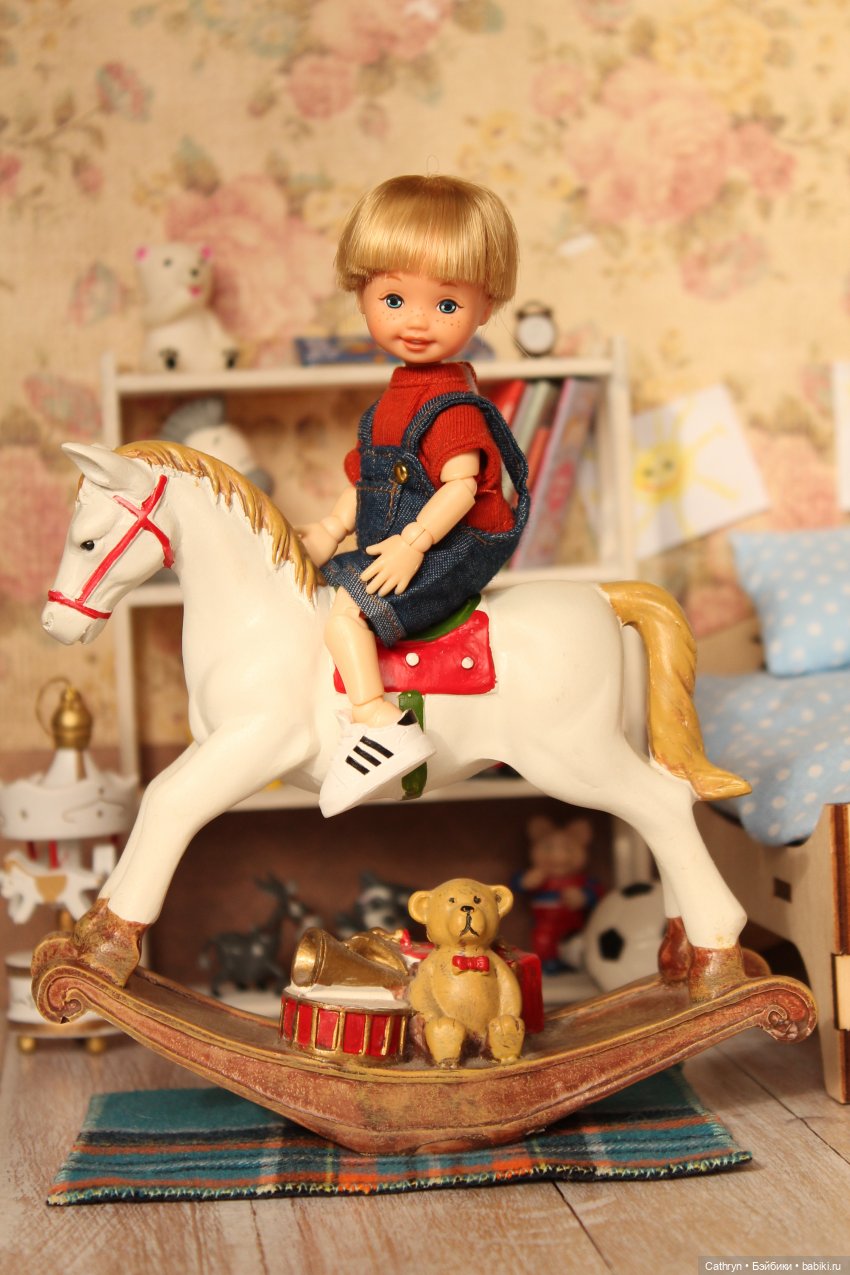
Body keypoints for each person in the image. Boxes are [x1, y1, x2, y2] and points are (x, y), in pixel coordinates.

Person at [300, 174, 530, 817]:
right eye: (395, 299)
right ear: (362, 294)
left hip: (454, 545)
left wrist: (413, 544)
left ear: (485, 307)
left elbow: (461, 487)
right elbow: (371, 481)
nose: (418, 321)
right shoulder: (391, 401)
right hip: (403, 540)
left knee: (347, 612)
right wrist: (330, 528)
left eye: (447, 305)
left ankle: (376, 723)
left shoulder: (451, 404)